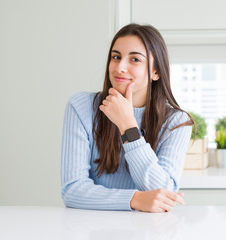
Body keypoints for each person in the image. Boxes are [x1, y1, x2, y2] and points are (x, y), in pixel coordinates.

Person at [61, 24, 194, 212]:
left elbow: (163, 191)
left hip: (149, 230)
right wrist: (135, 199)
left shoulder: (177, 122)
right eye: (116, 57)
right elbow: (72, 190)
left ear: (156, 72)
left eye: (135, 59)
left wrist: (128, 125)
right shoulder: (81, 107)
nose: (120, 67)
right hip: (91, 228)